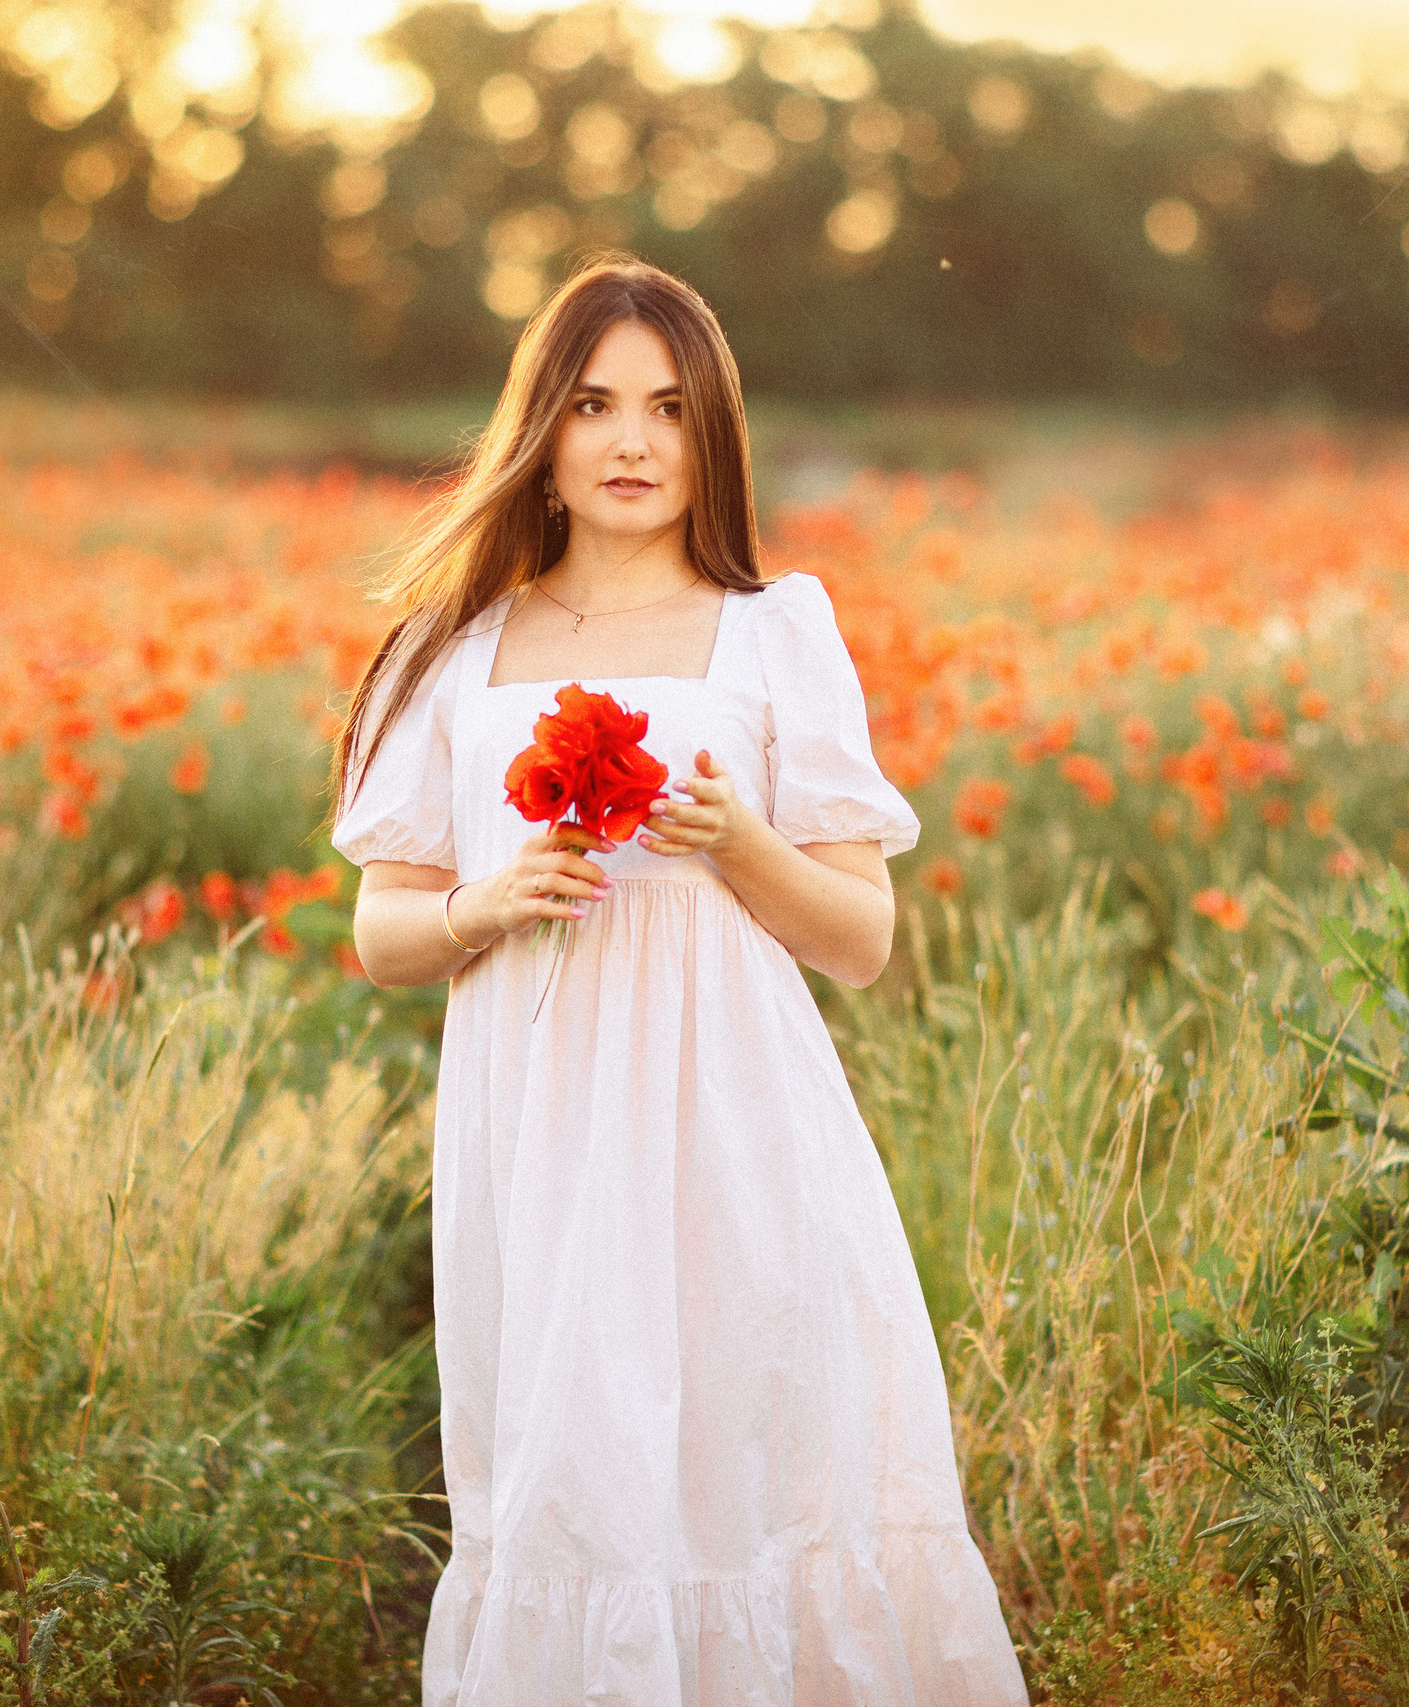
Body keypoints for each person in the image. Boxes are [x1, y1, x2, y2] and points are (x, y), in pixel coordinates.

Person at [332, 255, 1028, 1706]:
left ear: (712, 431)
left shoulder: (774, 627)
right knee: (577, 1478)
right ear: (544, 429)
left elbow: (860, 937)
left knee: (763, 1462)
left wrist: (740, 843)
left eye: (666, 407)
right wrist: (486, 900)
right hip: (544, 1130)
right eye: (593, 405)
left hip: (737, 1122)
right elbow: (383, 933)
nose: (633, 442)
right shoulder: (451, 652)